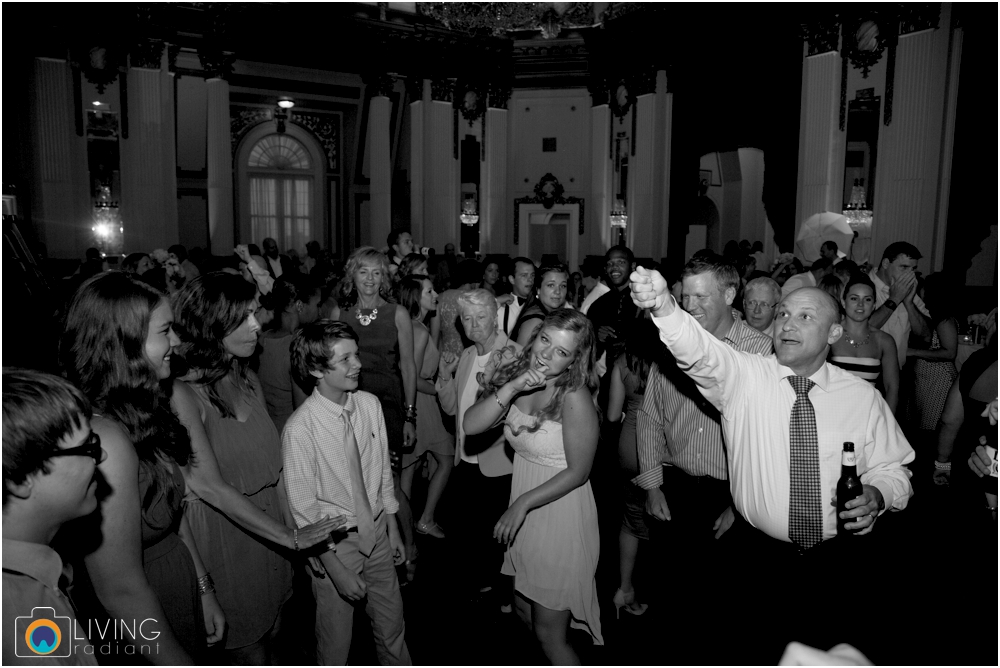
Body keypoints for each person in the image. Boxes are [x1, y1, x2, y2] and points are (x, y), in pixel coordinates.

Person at [630, 269, 914, 660]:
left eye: (805, 317)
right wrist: (664, 305)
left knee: (823, 652)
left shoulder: (861, 398)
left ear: (833, 333)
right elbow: (700, 352)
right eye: (783, 314)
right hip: (758, 560)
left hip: (837, 562)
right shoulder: (746, 377)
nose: (786, 325)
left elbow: (894, 467)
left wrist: (878, 494)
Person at [170, 272, 341, 662]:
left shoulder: (245, 376)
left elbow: (276, 470)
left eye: (254, 313)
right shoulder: (182, 394)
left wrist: (297, 534)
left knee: (276, 632)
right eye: (242, 317)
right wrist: (289, 538)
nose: (256, 324)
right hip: (225, 541)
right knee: (250, 651)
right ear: (211, 324)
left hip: (268, 533)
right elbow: (208, 486)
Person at [59, 274, 226, 664]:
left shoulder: (141, 408)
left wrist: (203, 587)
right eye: (165, 331)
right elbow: (118, 588)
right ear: (125, 343)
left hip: (175, 587)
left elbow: (169, 510)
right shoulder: (106, 439)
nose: (177, 342)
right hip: (142, 622)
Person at [633, 253, 772, 631]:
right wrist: (652, 484)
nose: (690, 307)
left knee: (721, 606)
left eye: (701, 297)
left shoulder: (760, 350)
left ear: (729, 295)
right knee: (671, 597)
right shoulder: (671, 343)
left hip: (728, 495)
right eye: (685, 297)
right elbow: (649, 417)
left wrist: (741, 504)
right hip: (674, 489)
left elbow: (767, 437)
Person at [464, 308, 604, 661]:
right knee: (524, 612)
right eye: (545, 340)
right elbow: (471, 425)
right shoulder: (517, 374)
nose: (546, 354)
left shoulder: (574, 397)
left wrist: (522, 503)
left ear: (575, 360)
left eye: (561, 351)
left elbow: (579, 472)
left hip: (559, 514)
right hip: (525, 511)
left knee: (549, 635)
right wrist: (511, 386)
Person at [284, 321, 411, 665]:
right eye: (345, 359)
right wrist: (334, 567)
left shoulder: (368, 405)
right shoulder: (300, 429)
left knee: (392, 629)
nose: (357, 364)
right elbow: (304, 512)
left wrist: (394, 529)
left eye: (356, 354)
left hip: (378, 533)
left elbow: (383, 471)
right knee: (336, 642)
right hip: (335, 545)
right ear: (315, 369)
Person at [328, 246, 419, 582]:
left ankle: (409, 548)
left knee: (390, 487)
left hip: (390, 409)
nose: (369, 278)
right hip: (350, 408)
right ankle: (370, 552)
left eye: (376, 272)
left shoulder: (397, 313)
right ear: (352, 275)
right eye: (363, 271)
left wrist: (410, 416)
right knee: (355, 484)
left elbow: (408, 367)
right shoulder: (341, 313)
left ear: (384, 277)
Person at [2, 369, 102, 667]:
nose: (103, 456)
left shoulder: (38, 579)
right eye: (88, 447)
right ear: (21, 479)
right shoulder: (16, 615)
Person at [435, 289, 520, 606]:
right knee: (472, 530)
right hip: (466, 460)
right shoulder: (468, 355)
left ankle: (507, 597)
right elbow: (453, 411)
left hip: (499, 462)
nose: (473, 325)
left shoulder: (512, 355)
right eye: (466, 319)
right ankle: (486, 584)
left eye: (480, 317)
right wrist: (444, 376)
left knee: (499, 534)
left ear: (494, 316)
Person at [605, 319, 662, 618]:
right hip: (659, 449)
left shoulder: (621, 362)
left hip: (628, 447)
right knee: (661, 519)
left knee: (630, 519)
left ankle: (624, 589)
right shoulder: (667, 363)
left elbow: (613, 415)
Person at [397, 276, 454, 539]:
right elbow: (414, 377)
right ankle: (425, 519)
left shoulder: (408, 325)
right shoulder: (417, 332)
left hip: (411, 401)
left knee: (408, 468)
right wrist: (441, 389)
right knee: (445, 458)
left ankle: (403, 529)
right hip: (422, 402)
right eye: (430, 291)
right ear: (415, 297)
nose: (436, 295)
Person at [258, 277, 322, 433]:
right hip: (293, 437)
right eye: (317, 305)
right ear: (300, 306)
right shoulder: (298, 348)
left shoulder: (262, 339)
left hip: (270, 432)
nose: (320, 311)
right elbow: (304, 412)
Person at [829, 274, 900, 415]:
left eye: (867, 299)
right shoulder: (830, 334)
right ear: (843, 302)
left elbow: (892, 388)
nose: (860, 304)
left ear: (874, 305)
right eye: (854, 298)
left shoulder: (884, 341)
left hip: (868, 414)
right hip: (832, 411)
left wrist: (887, 423)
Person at [905, 272, 959, 432]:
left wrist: (913, 351)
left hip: (938, 379)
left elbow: (949, 353)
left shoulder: (944, 320)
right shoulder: (929, 315)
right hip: (925, 378)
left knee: (930, 428)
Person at [867, 241, 931, 369]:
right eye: (904, 267)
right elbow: (863, 329)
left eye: (913, 269)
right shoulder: (862, 286)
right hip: (866, 371)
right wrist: (895, 299)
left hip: (898, 370)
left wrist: (909, 304)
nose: (910, 274)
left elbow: (926, 335)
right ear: (885, 263)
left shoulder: (910, 291)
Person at [587, 245, 639, 362]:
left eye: (621, 262)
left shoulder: (645, 299)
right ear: (605, 269)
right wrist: (597, 337)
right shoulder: (599, 305)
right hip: (611, 373)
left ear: (632, 266)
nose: (614, 267)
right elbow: (589, 353)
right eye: (610, 264)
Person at [511, 263, 571, 348]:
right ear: (538, 290)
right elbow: (520, 359)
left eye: (563, 286)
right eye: (551, 285)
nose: (558, 291)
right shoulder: (535, 321)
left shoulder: (548, 313)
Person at [436, 259, 483, 358]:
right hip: (470, 358)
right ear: (475, 279)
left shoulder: (440, 298)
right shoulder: (475, 299)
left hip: (446, 358)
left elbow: (434, 337)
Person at [496, 257, 536, 337]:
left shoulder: (540, 305)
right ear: (512, 279)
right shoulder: (500, 308)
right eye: (524, 275)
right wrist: (495, 301)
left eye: (532, 275)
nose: (530, 280)